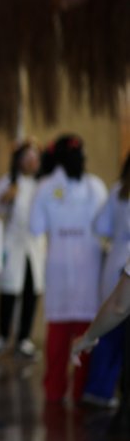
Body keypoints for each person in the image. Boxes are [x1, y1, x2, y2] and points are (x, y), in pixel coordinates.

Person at [29, 134, 107, 404]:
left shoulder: (52, 187)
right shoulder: (85, 187)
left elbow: (36, 227)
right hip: (74, 271)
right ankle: (66, 391)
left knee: (73, 339)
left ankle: (66, 391)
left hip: (73, 270)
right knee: (71, 338)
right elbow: (36, 226)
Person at [80, 153, 130, 406]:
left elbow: (100, 226)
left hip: (115, 263)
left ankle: (98, 390)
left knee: (109, 330)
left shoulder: (118, 191)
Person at [0, 141, 45, 359]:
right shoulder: (7, 183)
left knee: (32, 290)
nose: (32, 162)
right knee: (9, 290)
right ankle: (3, 335)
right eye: (27, 158)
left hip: (35, 246)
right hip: (13, 244)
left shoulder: (42, 185)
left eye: (35, 158)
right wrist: (5, 199)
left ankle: (24, 338)